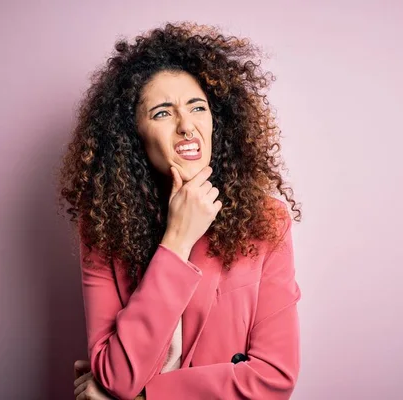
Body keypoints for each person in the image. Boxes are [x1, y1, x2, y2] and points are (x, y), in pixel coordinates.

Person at [57, 22, 302, 400]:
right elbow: (116, 377)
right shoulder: (103, 226)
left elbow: (274, 378)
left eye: (197, 107)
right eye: (162, 113)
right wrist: (177, 239)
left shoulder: (266, 220)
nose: (187, 126)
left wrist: (144, 398)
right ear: (131, 133)